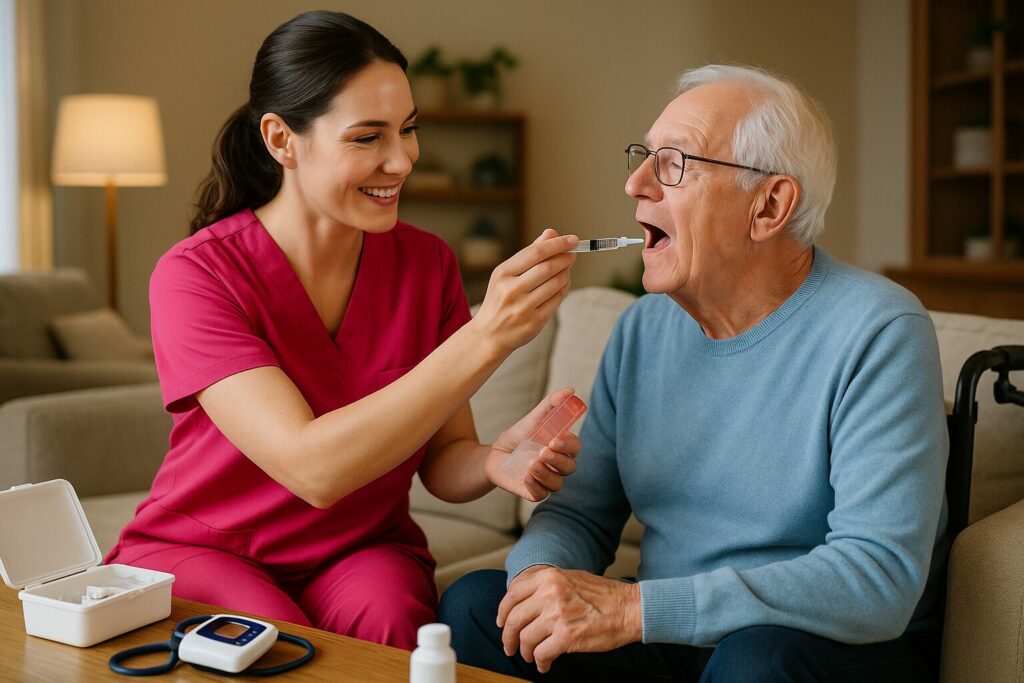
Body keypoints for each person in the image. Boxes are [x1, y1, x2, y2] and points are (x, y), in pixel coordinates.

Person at [439, 64, 949, 682]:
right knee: (476, 608)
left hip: (817, 646)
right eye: (642, 158)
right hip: (668, 636)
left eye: (673, 164)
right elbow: (579, 514)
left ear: (769, 206)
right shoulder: (642, 331)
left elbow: (878, 577)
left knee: (753, 661)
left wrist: (634, 608)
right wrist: (536, 583)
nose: (634, 185)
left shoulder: (879, 330)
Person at [104, 11, 584, 650]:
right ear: (281, 139)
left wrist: (493, 460)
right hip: (210, 547)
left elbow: (443, 460)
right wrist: (487, 334)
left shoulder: (426, 263)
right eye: (367, 137)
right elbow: (312, 468)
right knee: (277, 642)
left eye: (409, 130)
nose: (402, 160)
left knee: (397, 630)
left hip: (359, 549)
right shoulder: (195, 276)